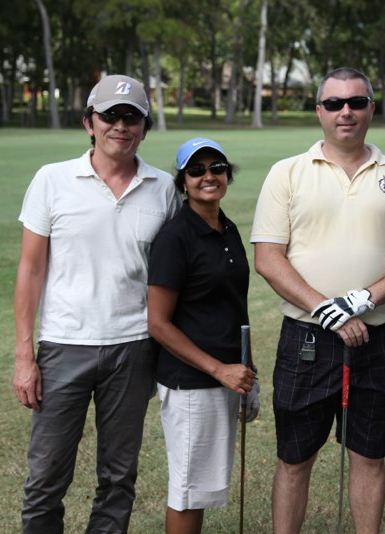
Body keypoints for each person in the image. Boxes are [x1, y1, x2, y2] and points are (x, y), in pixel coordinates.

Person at [251, 66, 385, 534]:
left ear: (372, 108)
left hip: (379, 338)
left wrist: (361, 300)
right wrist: (326, 310)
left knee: (369, 455)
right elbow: (268, 259)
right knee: (295, 457)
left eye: (356, 102)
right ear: (319, 111)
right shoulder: (287, 173)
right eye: (334, 103)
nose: (345, 112)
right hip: (307, 340)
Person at [12, 74, 181, 533]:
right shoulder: (52, 180)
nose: (120, 126)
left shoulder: (164, 188)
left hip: (134, 347)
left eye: (132, 117)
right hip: (64, 344)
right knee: (46, 476)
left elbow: (173, 276)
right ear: (89, 123)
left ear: (144, 128)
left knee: (118, 477)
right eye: (109, 116)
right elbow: (30, 270)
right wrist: (25, 356)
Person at [147, 138, 259, 534]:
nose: (208, 176)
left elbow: (232, 306)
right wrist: (219, 370)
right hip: (193, 381)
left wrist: (246, 368)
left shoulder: (227, 228)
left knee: (203, 485)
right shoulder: (175, 237)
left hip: (227, 374)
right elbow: (158, 323)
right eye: (196, 171)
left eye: (217, 168)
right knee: (188, 490)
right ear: (183, 182)